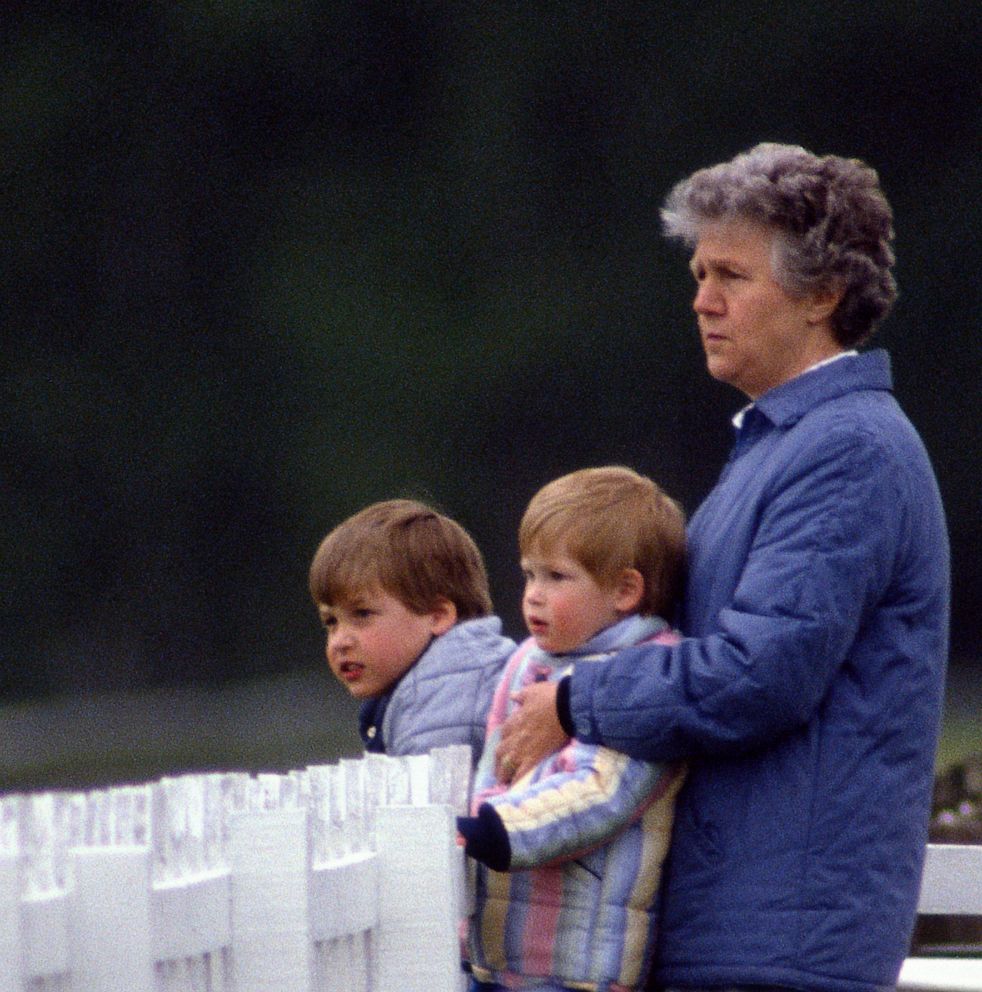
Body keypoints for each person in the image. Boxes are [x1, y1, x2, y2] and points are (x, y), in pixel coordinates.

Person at [494, 144, 950, 992]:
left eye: (731, 276)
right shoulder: (786, 444)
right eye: (699, 274)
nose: (702, 300)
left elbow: (757, 677)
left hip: (783, 943)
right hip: (746, 927)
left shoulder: (846, 450)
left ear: (823, 294)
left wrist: (573, 701)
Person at [458, 466, 689, 992]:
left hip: (577, 960)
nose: (534, 595)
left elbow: (601, 792)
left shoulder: (645, 674)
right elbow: (497, 764)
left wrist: (492, 831)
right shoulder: (527, 662)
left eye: (557, 577)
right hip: (496, 949)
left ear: (625, 591)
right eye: (529, 574)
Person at [308, 498, 515, 764]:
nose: (339, 642)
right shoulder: (448, 679)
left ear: (438, 616)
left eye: (362, 614)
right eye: (331, 622)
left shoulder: (440, 697)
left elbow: (434, 804)